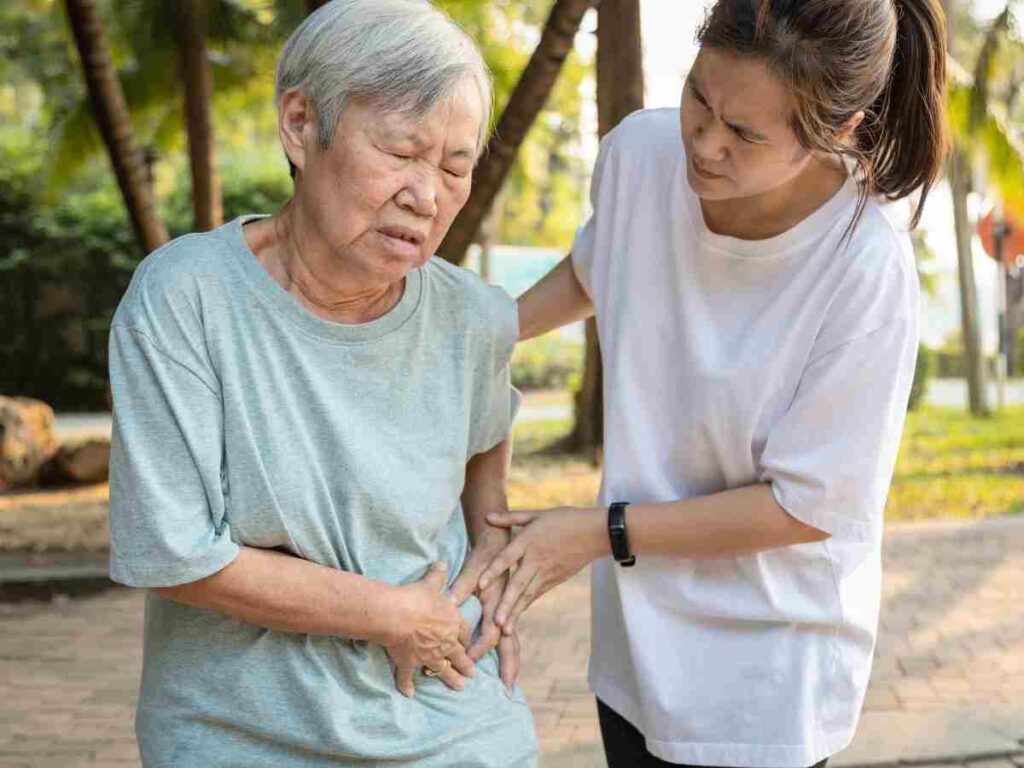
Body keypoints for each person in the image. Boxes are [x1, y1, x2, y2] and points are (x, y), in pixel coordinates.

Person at [477, 1, 949, 766]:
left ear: (843, 128)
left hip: (766, 673)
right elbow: (595, 270)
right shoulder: (640, 153)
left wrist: (601, 533)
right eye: (700, 96)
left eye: (746, 134)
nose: (704, 142)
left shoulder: (865, 268)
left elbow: (806, 504)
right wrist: (476, 333)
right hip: (635, 647)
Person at [106, 1, 536, 765]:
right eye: (403, 151)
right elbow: (171, 552)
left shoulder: (476, 320)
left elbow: (485, 481)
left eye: (455, 166)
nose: (427, 195)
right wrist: (390, 615)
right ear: (301, 125)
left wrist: (483, 597)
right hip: (243, 732)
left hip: (449, 716)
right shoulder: (187, 298)